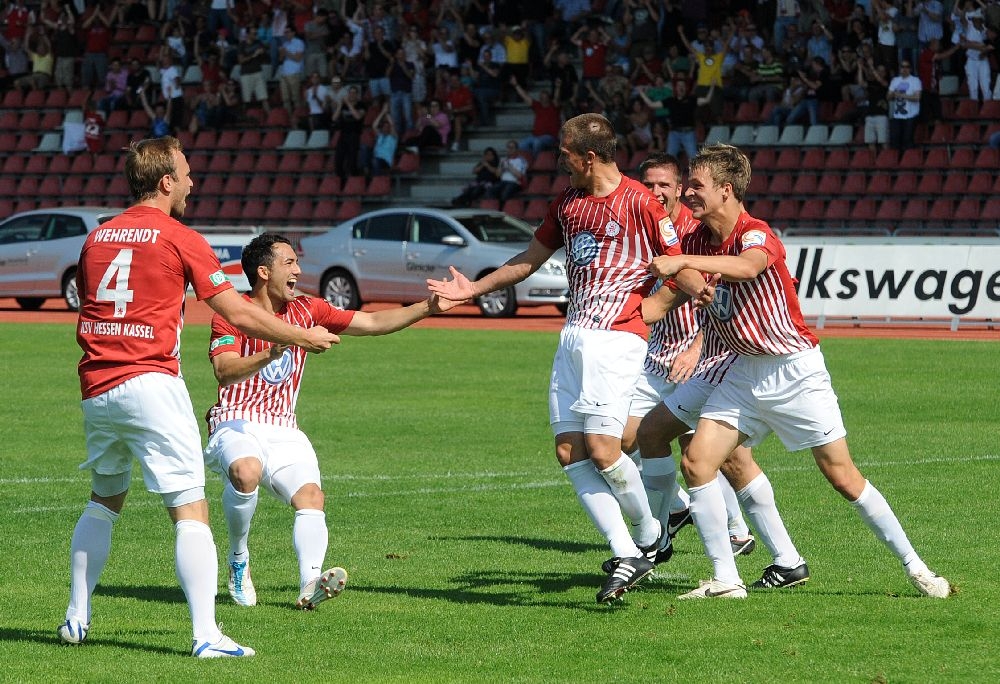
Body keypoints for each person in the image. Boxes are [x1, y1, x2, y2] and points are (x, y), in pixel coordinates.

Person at [58, 136, 339, 657]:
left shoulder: (97, 237)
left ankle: (76, 616)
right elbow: (236, 310)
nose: (192, 183)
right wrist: (301, 335)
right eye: (186, 174)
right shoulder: (180, 236)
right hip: (151, 382)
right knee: (191, 510)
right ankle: (206, 635)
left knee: (104, 501)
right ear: (166, 181)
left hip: (96, 385)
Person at [646, 143, 952, 601]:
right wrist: (616, 318)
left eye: (696, 185)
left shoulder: (755, 233)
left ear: (726, 190)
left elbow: (747, 267)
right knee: (697, 461)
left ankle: (917, 568)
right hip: (743, 372)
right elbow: (668, 295)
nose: (688, 192)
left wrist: (685, 263)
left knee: (843, 476)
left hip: (795, 371)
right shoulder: (693, 243)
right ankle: (726, 579)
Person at [428, 114, 712, 604]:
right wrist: (472, 289)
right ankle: (630, 549)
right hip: (573, 337)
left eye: (566, 154)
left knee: (604, 449)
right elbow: (528, 259)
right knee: (568, 451)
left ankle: (650, 534)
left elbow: (677, 264)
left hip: (616, 340)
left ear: (590, 156)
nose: (559, 161)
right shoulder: (567, 203)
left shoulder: (641, 202)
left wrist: (697, 292)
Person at [205, 233, 462, 610]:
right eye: (289, 263)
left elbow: (371, 321)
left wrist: (428, 307)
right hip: (235, 419)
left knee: (311, 497)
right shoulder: (232, 315)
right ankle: (238, 559)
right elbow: (224, 371)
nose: (298, 270)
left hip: (283, 426)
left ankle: (310, 584)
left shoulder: (308, 309)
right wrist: (273, 352)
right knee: (246, 472)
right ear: (264, 272)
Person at [631, 154, 808, 586]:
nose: (656, 193)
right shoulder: (655, 231)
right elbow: (675, 293)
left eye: (665, 185)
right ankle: (668, 525)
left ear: (679, 189)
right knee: (643, 438)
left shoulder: (700, 230)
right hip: (658, 359)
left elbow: (726, 289)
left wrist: (695, 345)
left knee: (721, 458)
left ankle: (746, 551)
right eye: (647, 185)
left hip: (711, 362)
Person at [887, 60, 922, 151]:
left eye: (907, 67)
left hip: (910, 115)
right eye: (902, 67)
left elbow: (917, 97)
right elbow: (888, 97)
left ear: (910, 69)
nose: (904, 69)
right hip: (897, 115)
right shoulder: (895, 80)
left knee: (908, 140)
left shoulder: (915, 80)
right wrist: (893, 94)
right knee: (895, 140)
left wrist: (901, 95)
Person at [485, 140, 528, 210]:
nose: (509, 150)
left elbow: (520, 176)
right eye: (508, 147)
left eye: (512, 148)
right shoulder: (503, 160)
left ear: (516, 150)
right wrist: (501, 167)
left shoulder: (522, 160)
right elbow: (497, 175)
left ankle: (501, 210)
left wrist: (509, 167)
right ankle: (493, 209)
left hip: (515, 183)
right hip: (503, 182)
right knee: (490, 191)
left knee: (505, 193)